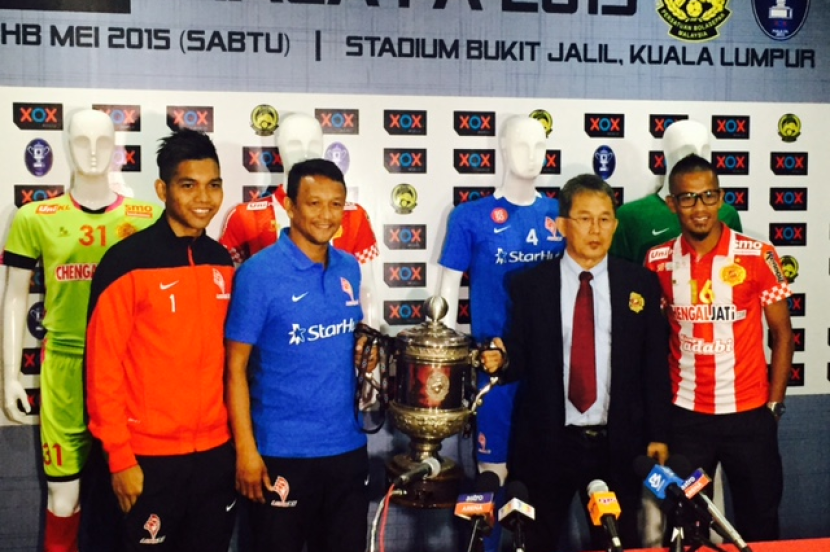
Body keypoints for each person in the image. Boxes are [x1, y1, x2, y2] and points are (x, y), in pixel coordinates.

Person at [2, 109, 161, 552]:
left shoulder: (147, 215)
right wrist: (10, 375)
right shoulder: (35, 216)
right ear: (64, 146)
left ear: (117, 149)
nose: (92, 152)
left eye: (103, 141)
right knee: (63, 495)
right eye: (80, 141)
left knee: (138, 489)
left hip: (129, 369)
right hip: (66, 368)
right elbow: (14, 297)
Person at [486, 174, 671, 551]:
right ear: (561, 225)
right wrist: (501, 361)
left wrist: (658, 433)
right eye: (585, 218)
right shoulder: (530, 286)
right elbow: (520, 356)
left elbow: (654, 366)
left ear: (615, 225)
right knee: (536, 541)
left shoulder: (640, 284)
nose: (595, 229)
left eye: (605, 219)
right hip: (547, 442)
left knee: (617, 541)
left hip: (618, 444)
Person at [85, 129, 236, 551]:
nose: (204, 198)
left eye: (213, 185)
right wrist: (119, 457)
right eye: (188, 186)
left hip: (214, 456)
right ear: (162, 190)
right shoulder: (126, 263)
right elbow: (102, 369)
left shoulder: (222, 261)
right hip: (146, 460)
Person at [225, 158, 371, 552]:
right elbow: (235, 368)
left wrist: (363, 355)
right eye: (314, 203)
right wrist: (246, 451)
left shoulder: (349, 267)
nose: (326, 215)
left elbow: (344, 339)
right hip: (280, 453)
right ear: (290, 206)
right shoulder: (258, 274)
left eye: (335, 204)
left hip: (347, 447)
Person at [644, 154, 792, 542]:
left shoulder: (759, 255)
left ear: (721, 198)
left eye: (709, 196)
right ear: (672, 203)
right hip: (686, 419)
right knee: (686, 526)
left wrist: (774, 406)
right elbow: (652, 342)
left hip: (750, 416)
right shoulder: (657, 261)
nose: (700, 208)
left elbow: (782, 334)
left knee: (760, 524)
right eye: (688, 198)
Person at [437, 115, 565, 484]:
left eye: (540, 146)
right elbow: (447, 289)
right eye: (523, 145)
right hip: (494, 364)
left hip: (550, 365)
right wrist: (445, 364)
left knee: (548, 471)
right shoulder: (469, 217)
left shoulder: (562, 214)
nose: (533, 155)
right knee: (494, 473)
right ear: (504, 149)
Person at [219, 112, 380, 328]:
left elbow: (367, 291)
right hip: (273, 339)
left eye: (313, 145)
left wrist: (371, 338)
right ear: (279, 148)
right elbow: (233, 295)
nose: (305, 153)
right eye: (294, 145)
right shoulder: (244, 216)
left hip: (337, 337)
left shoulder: (354, 216)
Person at [610, 119, 742, 264]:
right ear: (666, 154)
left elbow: (739, 269)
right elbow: (619, 273)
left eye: (704, 150)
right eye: (687, 150)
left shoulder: (727, 214)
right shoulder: (630, 217)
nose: (696, 157)